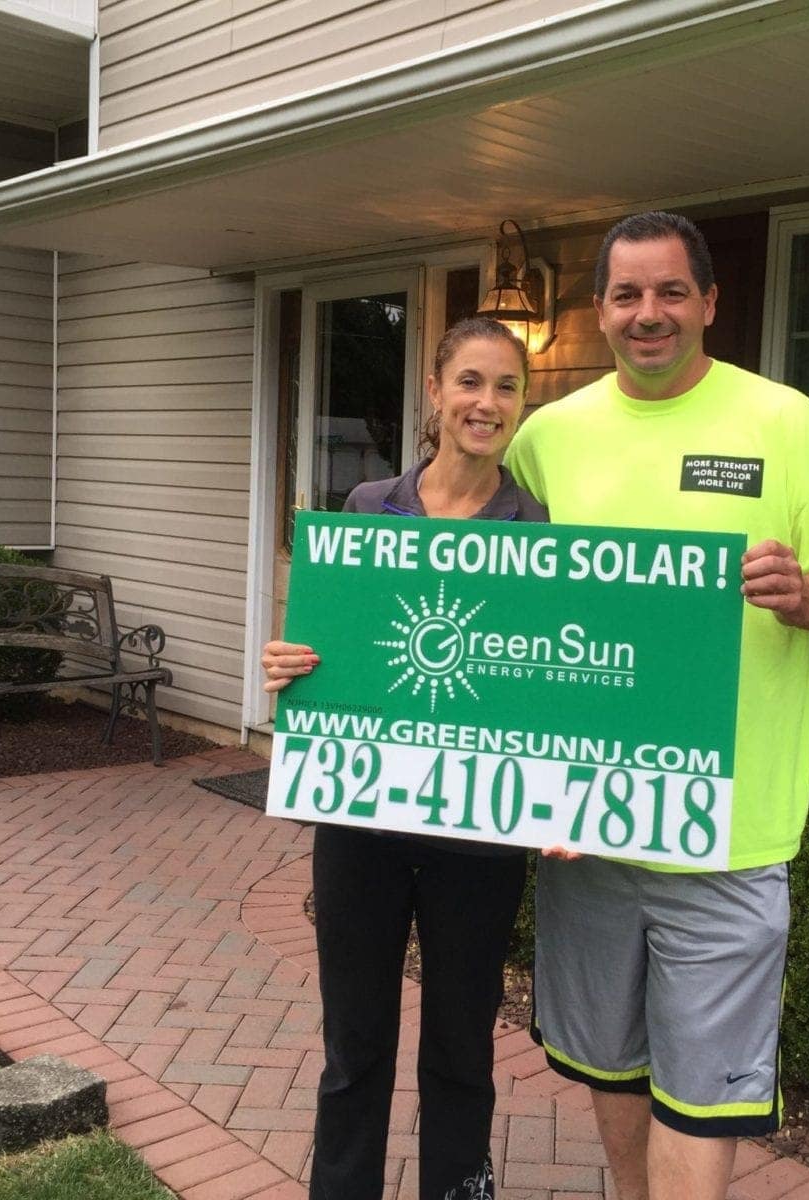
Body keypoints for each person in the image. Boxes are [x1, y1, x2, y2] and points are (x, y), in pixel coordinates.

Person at [502, 211, 809, 1200]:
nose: (649, 313)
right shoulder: (548, 438)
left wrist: (807, 593)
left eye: (671, 291)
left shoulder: (784, 422)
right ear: (600, 312)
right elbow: (486, 585)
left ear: (710, 302)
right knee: (610, 1065)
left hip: (726, 831)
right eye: (627, 294)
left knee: (703, 1094)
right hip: (586, 829)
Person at [260, 317, 546, 1200]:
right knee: (355, 1046)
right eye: (470, 382)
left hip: (479, 832)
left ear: (521, 403)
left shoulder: (536, 528)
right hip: (363, 825)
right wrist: (291, 665)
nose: (486, 403)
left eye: (505, 386)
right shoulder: (366, 509)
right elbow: (336, 648)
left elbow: (537, 682)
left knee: (461, 1047)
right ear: (435, 391)